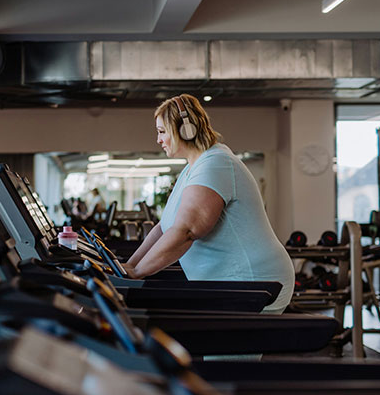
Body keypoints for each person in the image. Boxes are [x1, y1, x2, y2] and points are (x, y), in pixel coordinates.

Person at [124, 94, 294, 314]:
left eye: (162, 132)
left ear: (186, 129)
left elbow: (187, 231)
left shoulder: (216, 164)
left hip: (254, 283)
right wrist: (129, 267)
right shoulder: (192, 169)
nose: (158, 140)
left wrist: (138, 273)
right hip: (229, 284)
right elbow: (163, 229)